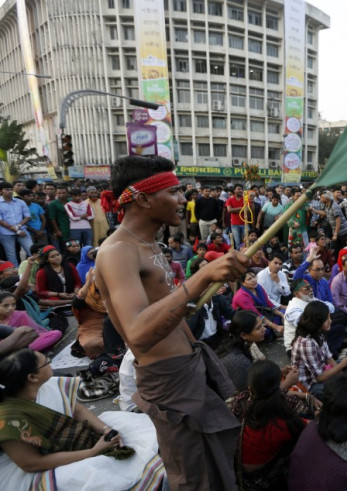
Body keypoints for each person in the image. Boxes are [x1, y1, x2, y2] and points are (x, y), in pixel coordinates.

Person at [95, 155, 248, 490]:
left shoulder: (149, 244)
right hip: (169, 383)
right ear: (144, 198)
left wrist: (208, 283)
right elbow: (138, 334)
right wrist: (203, 274)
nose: (184, 201)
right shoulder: (117, 250)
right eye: (175, 193)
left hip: (188, 367)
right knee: (193, 476)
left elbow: (167, 308)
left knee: (216, 465)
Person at [0, 349, 165, 490]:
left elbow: (77, 410)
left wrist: (106, 430)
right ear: (32, 377)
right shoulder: (8, 418)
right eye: (47, 362)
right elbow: (32, 464)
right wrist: (93, 452)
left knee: (143, 430)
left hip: (77, 438)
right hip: (41, 468)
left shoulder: (44, 384)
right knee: (100, 473)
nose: (51, 364)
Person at [238, 359, 305, 490]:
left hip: (236, 470)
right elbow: (308, 428)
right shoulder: (282, 423)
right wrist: (290, 386)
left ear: (250, 389)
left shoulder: (240, 401)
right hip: (260, 477)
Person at [290, 301, 347, 401]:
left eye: (329, 317)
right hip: (311, 385)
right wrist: (342, 366)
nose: (330, 321)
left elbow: (328, 358)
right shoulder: (307, 342)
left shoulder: (318, 332)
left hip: (321, 370)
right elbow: (319, 377)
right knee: (341, 393)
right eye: (327, 319)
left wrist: (342, 376)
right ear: (316, 321)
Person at [218, 310, 267, 392]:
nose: (264, 329)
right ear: (243, 335)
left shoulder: (250, 344)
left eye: (262, 325)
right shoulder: (238, 361)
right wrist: (286, 383)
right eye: (258, 328)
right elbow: (253, 393)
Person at [232, 269, 285, 338]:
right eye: (249, 279)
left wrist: (282, 315)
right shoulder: (241, 296)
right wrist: (276, 327)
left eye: (254, 277)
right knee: (265, 332)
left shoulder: (258, 287)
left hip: (263, 313)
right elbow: (256, 314)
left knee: (284, 312)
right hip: (249, 321)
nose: (253, 280)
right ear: (243, 283)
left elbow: (269, 303)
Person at [0, 181, 33, 267]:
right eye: (6, 190)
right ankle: (16, 275)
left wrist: (18, 227)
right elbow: (0, 220)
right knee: (11, 255)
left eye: (11, 189)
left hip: (22, 230)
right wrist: (15, 230)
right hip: (6, 233)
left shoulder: (20, 202)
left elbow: (27, 216)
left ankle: (35, 270)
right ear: (1, 191)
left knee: (32, 250)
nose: (9, 191)